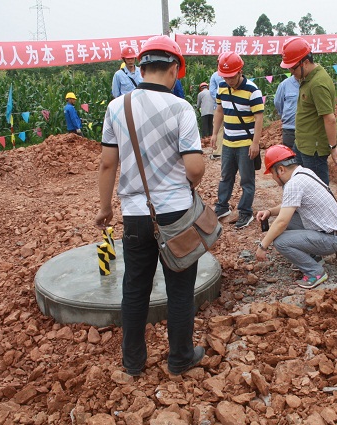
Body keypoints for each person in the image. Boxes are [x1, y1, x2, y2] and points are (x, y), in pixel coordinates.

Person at [95, 35, 205, 376]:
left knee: (135, 288)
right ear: (174, 69)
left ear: (140, 68)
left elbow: (106, 164)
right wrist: (189, 184)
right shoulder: (181, 108)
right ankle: (180, 359)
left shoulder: (117, 107)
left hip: (136, 216)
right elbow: (195, 169)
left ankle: (132, 363)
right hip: (175, 214)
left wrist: (105, 208)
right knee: (180, 290)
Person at [255, 145, 337, 289]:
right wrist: (269, 211)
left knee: (280, 241)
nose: (273, 178)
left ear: (280, 170)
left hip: (331, 239)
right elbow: (289, 206)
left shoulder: (294, 184)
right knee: (287, 218)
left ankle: (315, 272)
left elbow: (281, 222)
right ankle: (314, 257)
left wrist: (263, 246)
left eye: (272, 173)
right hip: (333, 232)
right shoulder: (304, 173)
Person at [210, 52, 264, 229]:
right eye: (225, 76)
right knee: (226, 176)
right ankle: (222, 207)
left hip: (245, 144)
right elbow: (219, 111)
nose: (228, 80)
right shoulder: (222, 88)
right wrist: (214, 133)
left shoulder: (252, 90)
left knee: (246, 180)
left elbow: (259, 118)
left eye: (231, 76)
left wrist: (255, 143)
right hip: (228, 142)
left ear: (240, 72)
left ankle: (245, 212)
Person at [279, 37, 337, 185]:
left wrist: (333, 147)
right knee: (300, 185)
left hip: (313, 150)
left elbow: (330, 119)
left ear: (305, 63)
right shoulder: (307, 77)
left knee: (317, 189)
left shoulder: (317, 83)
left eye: (292, 68)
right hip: (302, 144)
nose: (291, 72)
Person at [273, 75, 300, 153]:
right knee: (290, 157)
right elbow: (278, 103)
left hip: (308, 130)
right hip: (290, 129)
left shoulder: (311, 83)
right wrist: (285, 115)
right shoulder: (284, 85)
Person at [209, 61, 225, 159]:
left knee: (218, 128)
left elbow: (212, 91)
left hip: (218, 106)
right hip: (231, 106)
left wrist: (220, 100)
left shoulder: (215, 75)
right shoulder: (234, 74)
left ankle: (217, 152)